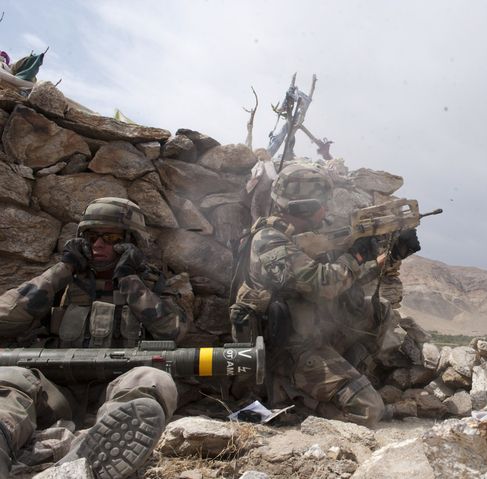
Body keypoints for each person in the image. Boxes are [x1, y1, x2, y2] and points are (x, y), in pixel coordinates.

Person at [0, 197, 187, 479]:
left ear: (131, 243)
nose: (98, 245)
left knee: (153, 379)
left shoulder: (154, 285)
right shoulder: (63, 282)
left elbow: (173, 330)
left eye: (110, 237)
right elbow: (4, 319)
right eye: (91, 237)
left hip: (114, 390)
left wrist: (129, 280)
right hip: (58, 394)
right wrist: (63, 270)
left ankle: (96, 453)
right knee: (12, 378)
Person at [230, 163, 420, 427]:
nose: (326, 210)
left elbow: (344, 280)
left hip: (316, 333)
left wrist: (389, 256)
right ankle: (290, 398)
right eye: (322, 204)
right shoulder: (268, 241)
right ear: (302, 207)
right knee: (369, 411)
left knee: (378, 310)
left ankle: (348, 382)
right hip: (290, 351)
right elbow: (324, 283)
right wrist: (355, 255)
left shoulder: (307, 237)